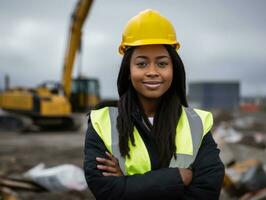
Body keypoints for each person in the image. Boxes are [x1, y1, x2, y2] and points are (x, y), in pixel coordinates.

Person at [84, 9, 224, 200]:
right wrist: (177, 177)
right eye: (141, 64)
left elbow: (207, 190)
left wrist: (127, 182)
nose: (152, 72)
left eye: (162, 63)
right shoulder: (103, 122)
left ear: (174, 69)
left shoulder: (197, 123)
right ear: (128, 70)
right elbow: (106, 190)